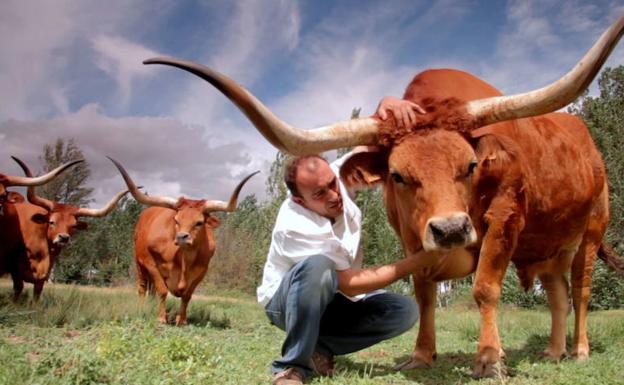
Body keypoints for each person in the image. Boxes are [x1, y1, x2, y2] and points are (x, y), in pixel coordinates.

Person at [257, 97, 426, 385]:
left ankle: (319, 347)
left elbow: (368, 145)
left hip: (333, 297)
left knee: (404, 310)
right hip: (285, 303)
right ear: (300, 200)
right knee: (317, 267)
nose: (334, 195)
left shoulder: (336, 176)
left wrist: (384, 107)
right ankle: (292, 368)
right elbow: (348, 281)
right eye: (320, 194)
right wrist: (419, 261)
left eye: (332, 184)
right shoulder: (294, 224)